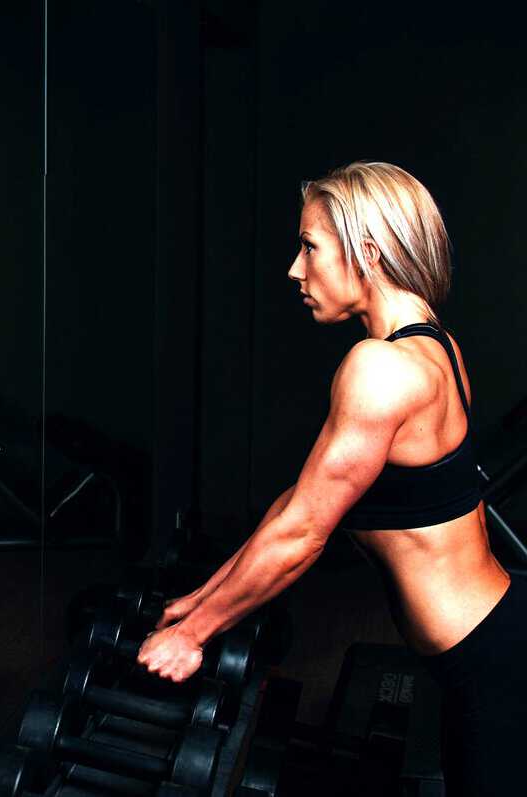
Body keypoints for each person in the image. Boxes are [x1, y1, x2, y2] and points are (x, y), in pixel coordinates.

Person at [137, 161, 525, 794]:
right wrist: (204, 601)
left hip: (492, 660)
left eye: (310, 246)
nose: (296, 268)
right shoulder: (437, 347)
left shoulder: (381, 368)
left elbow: (306, 534)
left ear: (366, 251)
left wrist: (193, 639)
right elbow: (300, 502)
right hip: (488, 641)